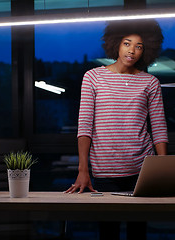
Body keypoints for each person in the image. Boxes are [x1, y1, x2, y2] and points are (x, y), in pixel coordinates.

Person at [64, 19, 169, 240]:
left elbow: (158, 127)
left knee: (137, 233)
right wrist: (83, 171)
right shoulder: (93, 77)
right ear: (116, 44)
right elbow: (84, 127)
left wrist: (163, 170)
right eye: (127, 43)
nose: (132, 50)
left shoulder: (150, 82)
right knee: (108, 233)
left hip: (142, 169)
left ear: (146, 49)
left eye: (139, 46)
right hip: (104, 170)